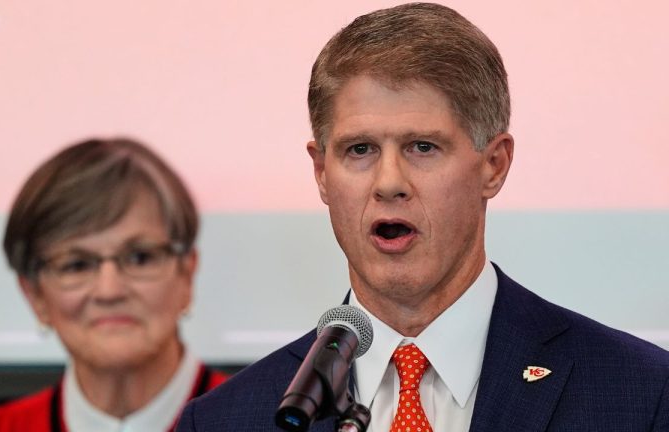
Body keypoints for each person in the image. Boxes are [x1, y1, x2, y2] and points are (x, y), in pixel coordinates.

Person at [177, 3, 669, 431]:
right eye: (360, 149)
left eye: (423, 147)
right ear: (323, 173)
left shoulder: (641, 395)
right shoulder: (229, 418)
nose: (389, 181)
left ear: (493, 166)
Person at [0, 138, 226, 432]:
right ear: (34, 296)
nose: (110, 291)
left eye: (140, 257)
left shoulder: (267, 421)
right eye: (76, 265)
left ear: (187, 273)